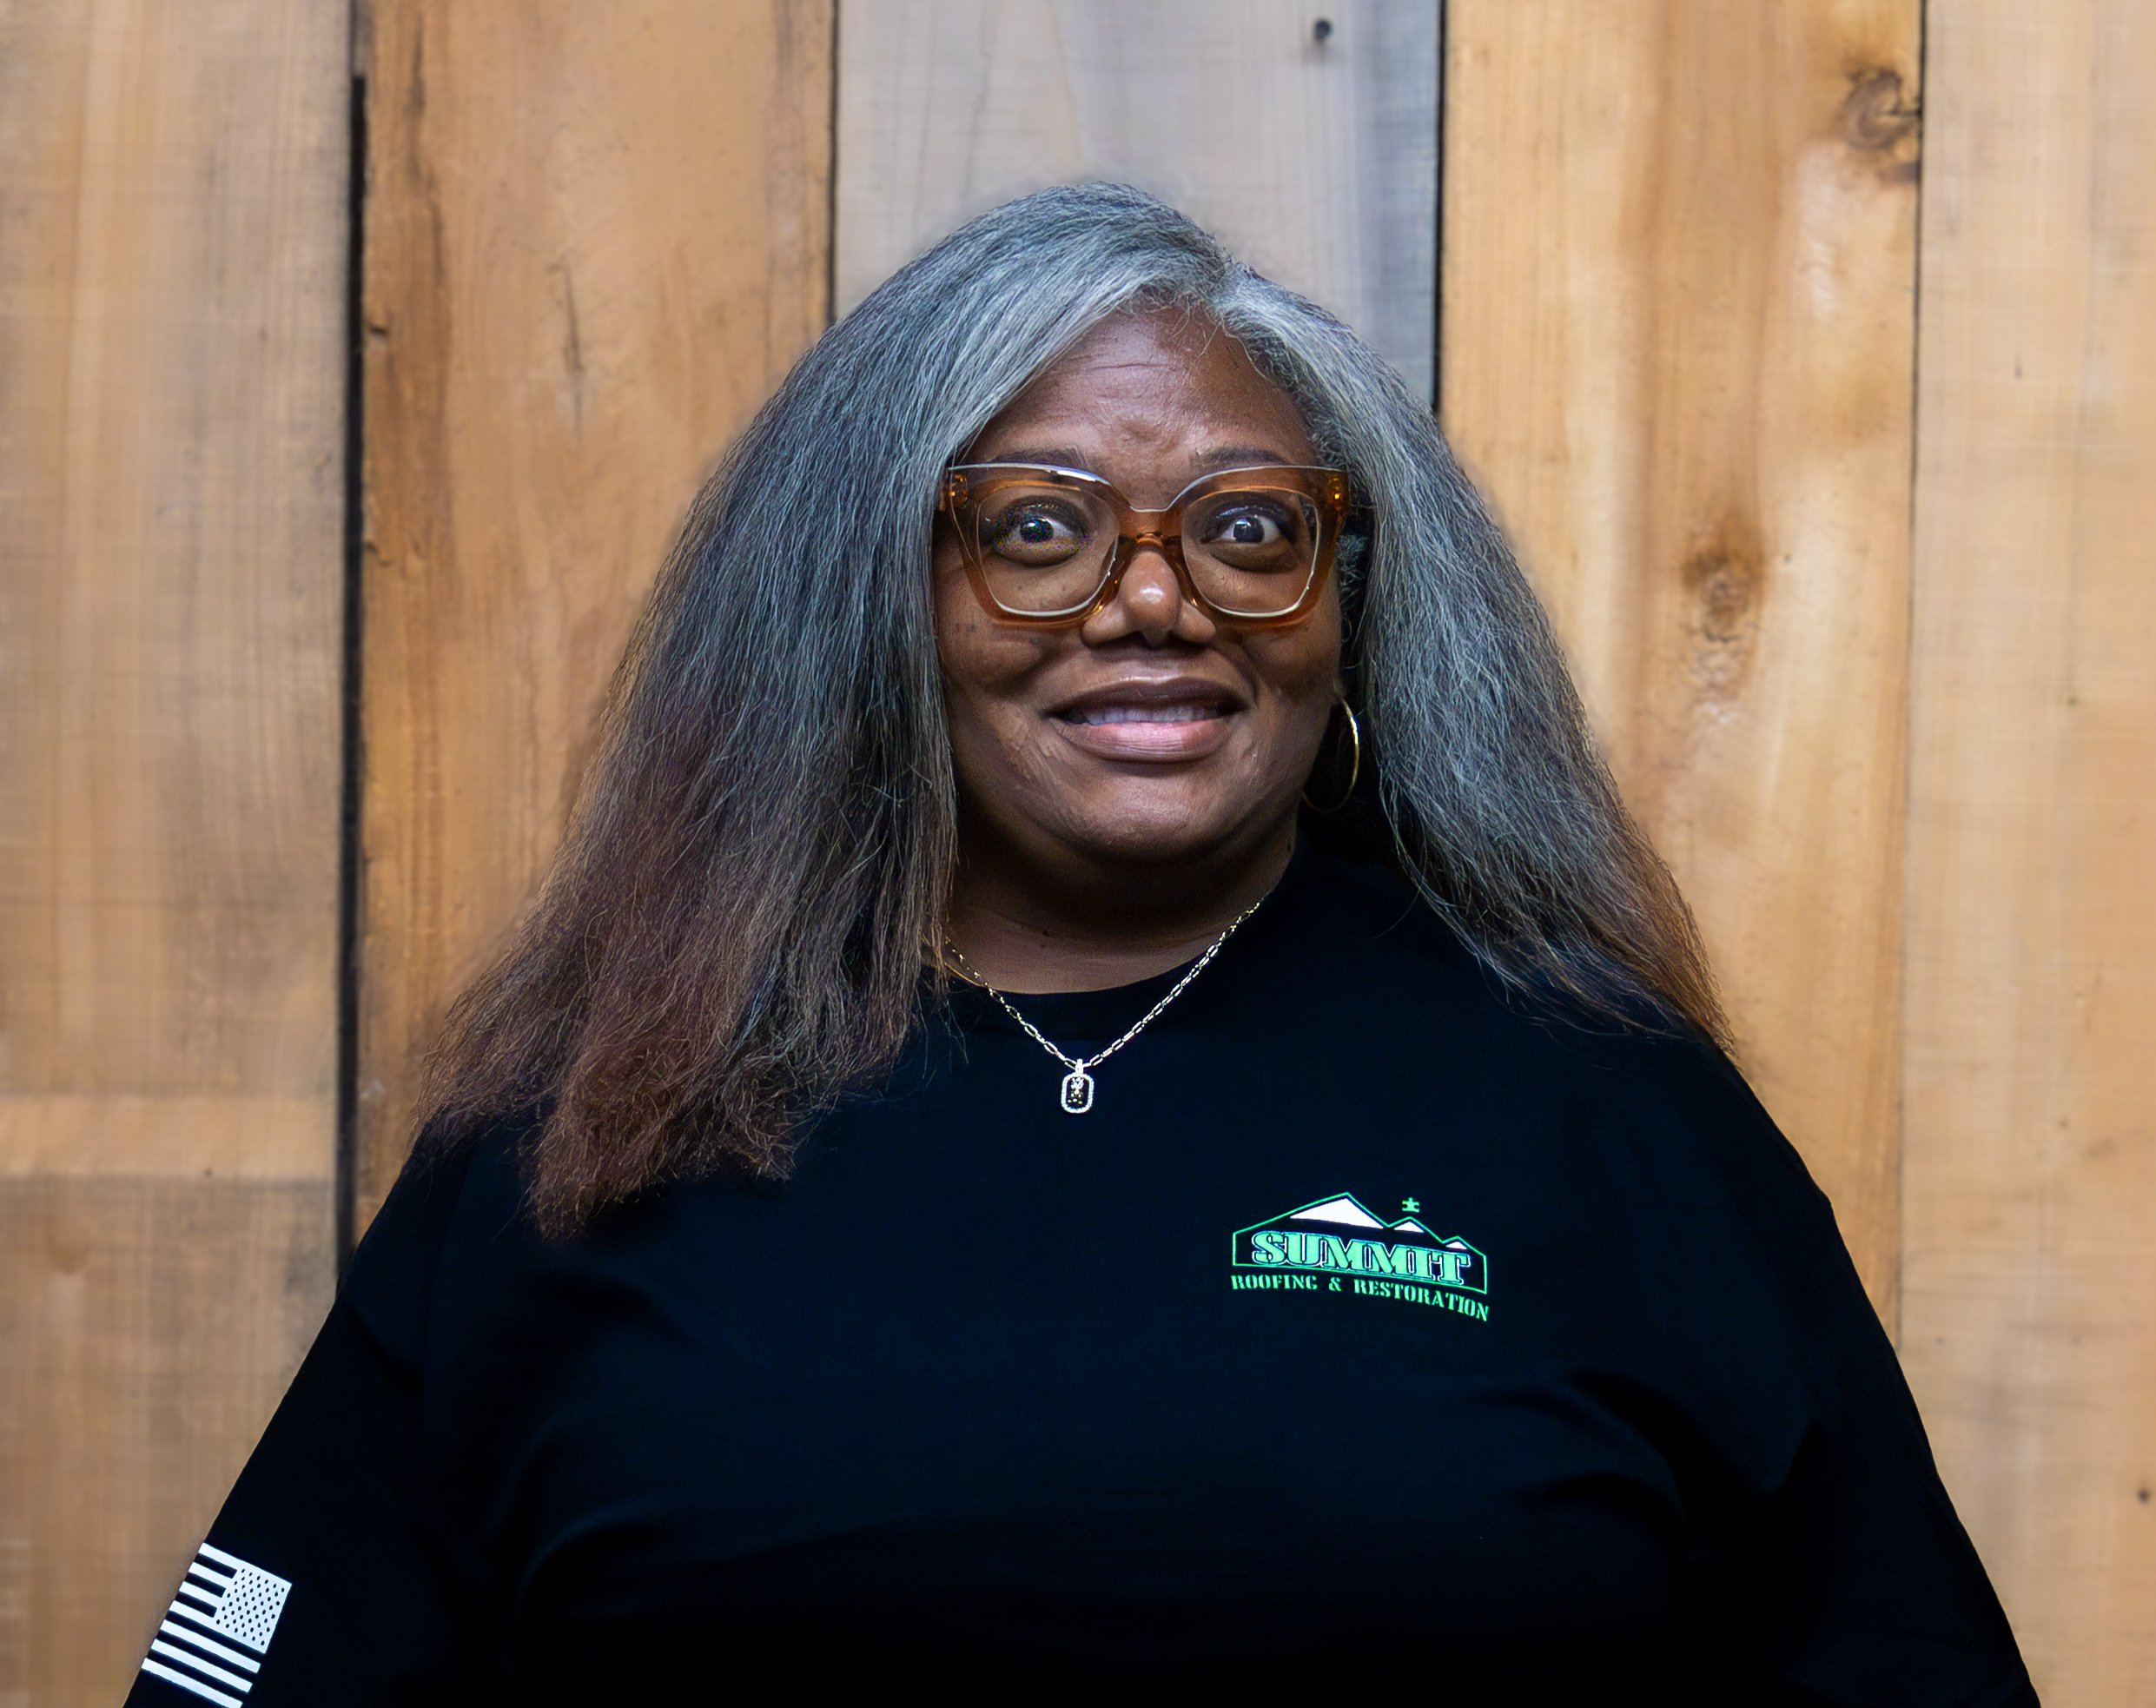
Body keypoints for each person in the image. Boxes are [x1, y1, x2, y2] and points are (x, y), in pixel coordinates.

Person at [125, 183, 2036, 1703]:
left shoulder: (1600, 1105)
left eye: (1244, 527)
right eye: (1033, 529)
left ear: (1350, 594)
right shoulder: (588, 1121)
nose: (1151, 600)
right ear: (868, 584)